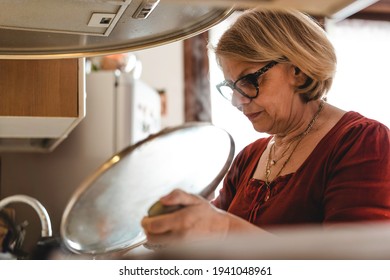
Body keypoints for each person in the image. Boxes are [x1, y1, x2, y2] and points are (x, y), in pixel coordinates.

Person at [141, 8, 390, 247]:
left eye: (249, 80)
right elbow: (208, 235)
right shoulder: (248, 158)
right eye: (231, 87)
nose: (237, 101)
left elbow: (356, 266)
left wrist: (224, 230)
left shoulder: (362, 141)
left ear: (298, 71)